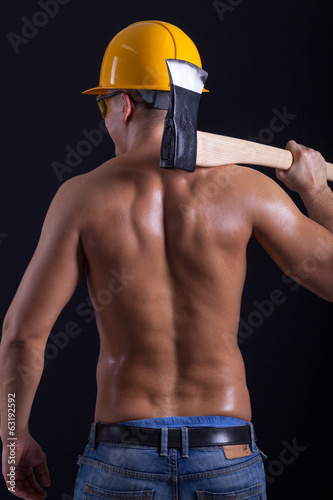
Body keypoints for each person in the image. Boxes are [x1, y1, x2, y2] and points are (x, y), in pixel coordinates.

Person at [1, 20, 333, 500]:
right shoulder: (246, 190)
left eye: (103, 104)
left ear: (126, 104)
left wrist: (13, 439)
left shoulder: (80, 199)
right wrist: (316, 191)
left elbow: (20, 337)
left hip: (122, 461)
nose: (106, 119)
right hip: (226, 460)